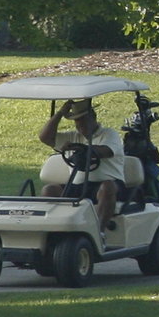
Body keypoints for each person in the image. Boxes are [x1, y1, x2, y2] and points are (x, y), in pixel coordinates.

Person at [39, 98, 126, 237]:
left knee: (107, 187)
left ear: (93, 117)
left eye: (84, 121)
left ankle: (99, 233)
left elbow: (106, 151)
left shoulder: (109, 134)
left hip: (108, 184)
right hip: (78, 186)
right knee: (49, 190)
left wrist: (83, 149)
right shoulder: (73, 136)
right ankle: (55, 233)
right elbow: (45, 138)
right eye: (77, 122)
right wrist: (60, 114)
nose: (80, 126)